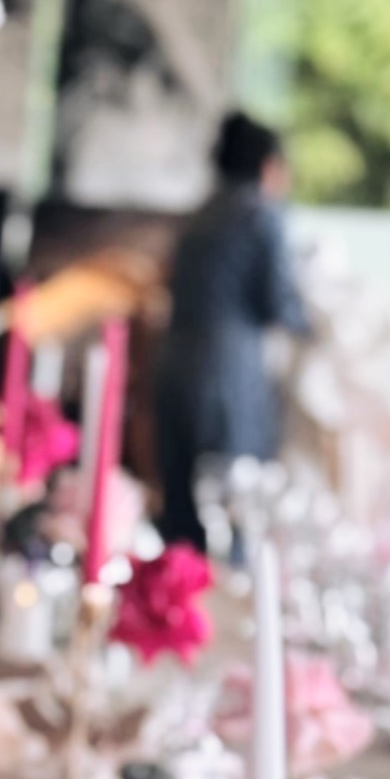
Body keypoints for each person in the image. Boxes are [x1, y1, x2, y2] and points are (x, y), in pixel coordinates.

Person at [153, 110, 308, 550]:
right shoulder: (261, 215)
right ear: (269, 166)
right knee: (234, 511)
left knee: (182, 511)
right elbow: (278, 302)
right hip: (225, 377)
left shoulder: (197, 216)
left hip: (173, 367)